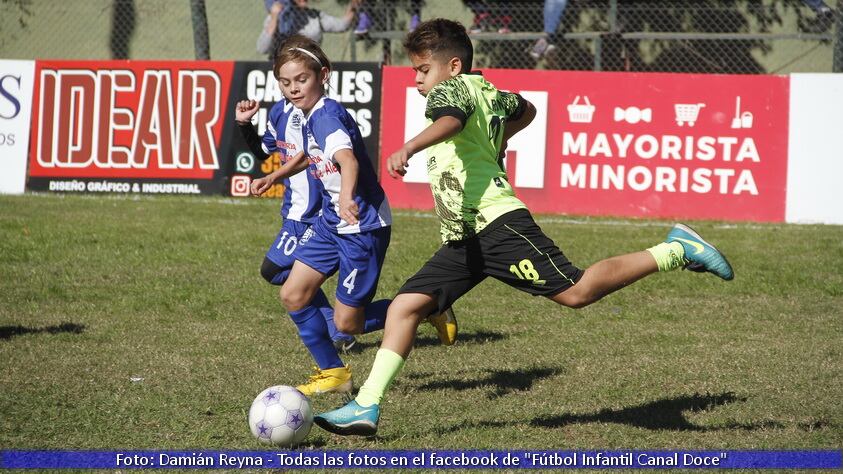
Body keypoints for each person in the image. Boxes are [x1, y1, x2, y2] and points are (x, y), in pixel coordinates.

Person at [314, 18, 734, 436]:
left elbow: (453, 121)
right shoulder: (488, 89)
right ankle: (366, 406)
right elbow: (527, 109)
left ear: (453, 65)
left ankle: (675, 249)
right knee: (405, 307)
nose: (417, 80)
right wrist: (499, 138)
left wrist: (410, 145)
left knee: (577, 291)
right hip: (466, 237)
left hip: (495, 223)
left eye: (423, 70)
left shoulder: (452, 91)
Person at [253, 34, 456, 395]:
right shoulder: (306, 114)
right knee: (293, 294)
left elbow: (345, 159)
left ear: (322, 75)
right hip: (331, 221)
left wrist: (347, 198)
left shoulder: (327, 114)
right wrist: (275, 174)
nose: (294, 88)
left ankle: (429, 307)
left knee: (349, 324)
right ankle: (333, 373)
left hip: (360, 224)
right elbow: (307, 154)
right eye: (285, 82)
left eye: (302, 80)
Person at [257, 0, 360, 60]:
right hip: (282, 67)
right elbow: (262, 48)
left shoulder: (314, 16)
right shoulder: (278, 18)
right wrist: (275, 16)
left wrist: (353, 5)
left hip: (309, 66)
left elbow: (342, 25)